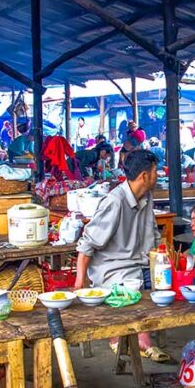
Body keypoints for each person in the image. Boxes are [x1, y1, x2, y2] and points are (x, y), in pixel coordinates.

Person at [74, 150, 168, 362]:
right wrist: (80, 282)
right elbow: (87, 244)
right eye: (155, 172)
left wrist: (163, 256)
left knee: (165, 285)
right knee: (135, 287)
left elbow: (153, 234)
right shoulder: (114, 202)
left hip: (140, 263)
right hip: (112, 270)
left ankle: (131, 335)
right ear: (144, 176)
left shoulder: (147, 196)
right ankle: (136, 339)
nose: (158, 175)